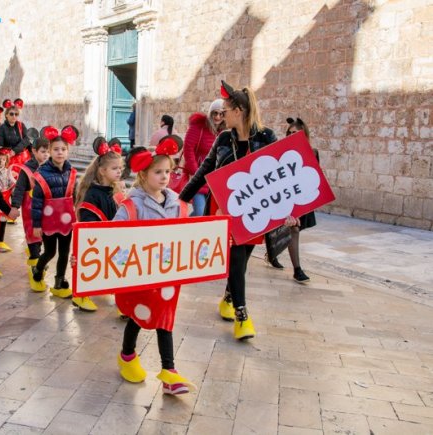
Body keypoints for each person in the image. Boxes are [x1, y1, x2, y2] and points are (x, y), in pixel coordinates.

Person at [180, 81, 302, 340]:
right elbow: (204, 170)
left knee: (242, 260)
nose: (221, 115)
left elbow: (281, 177)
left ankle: (228, 297)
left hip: (256, 212)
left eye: (225, 110)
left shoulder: (266, 137)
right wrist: (182, 199)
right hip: (226, 209)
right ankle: (242, 316)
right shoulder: (224, 138)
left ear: (239, 111)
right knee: (236, 258)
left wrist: (290, 211)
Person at [113, 137, 196, 396]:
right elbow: (111, 237)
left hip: (167, 276)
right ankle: (127, 355)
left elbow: (190, 233)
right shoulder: (132, 205)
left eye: (168, 172)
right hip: (141, 275)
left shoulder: (177, 203)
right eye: (158, 172)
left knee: (164, 319)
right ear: (143, 175)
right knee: (138, 317)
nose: (164, 177)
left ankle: (169, 371)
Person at [73, 136, 124, 312]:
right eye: (114, 168)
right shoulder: (92, 194)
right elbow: (87, 218)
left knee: (118, 265)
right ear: (102, 171)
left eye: (120, 168)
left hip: (111, 237)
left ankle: (121, 300)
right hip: (96, 239)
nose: (119, 172)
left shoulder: (114, 190)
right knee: (90, 266)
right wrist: (97, 233)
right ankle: (81, 295)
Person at [29, 126, 78, 297]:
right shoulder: (42, 173)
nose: (60, 152)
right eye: (56, 149)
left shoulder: (72, 173)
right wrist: (36, 224)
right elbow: (36, 202)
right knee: (50, 252)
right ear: (49, 151)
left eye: (63, 149)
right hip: (48, 219)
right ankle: (38, 267)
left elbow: (76, 196)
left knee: (64, 252)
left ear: (68, 151)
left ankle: (59, 281)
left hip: (66, 220)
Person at [266, 117, 317, 283]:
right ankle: (297, 269)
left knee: (293, 229)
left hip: (299, 197)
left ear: (304, 134)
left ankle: (274, 255)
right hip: (283, 197)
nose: (291, 136)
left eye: (295, 133)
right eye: (289, 133)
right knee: (289, 229)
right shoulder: (281, 152)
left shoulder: (313, 152)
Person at [10, 137, 50, 268]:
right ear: (34, 151)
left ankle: (38, 257)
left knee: (44, 234)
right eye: (43, 151)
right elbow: (20, 188)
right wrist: (15, 206)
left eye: (48, 152)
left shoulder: (51, 168)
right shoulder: (26, 169)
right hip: (30, 208)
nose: (46, 155)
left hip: (46, 208)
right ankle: (35, 260)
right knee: (32, 233)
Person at [183, 99, 225, 216]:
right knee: (200, 212)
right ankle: (184, 226)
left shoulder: (225, 131)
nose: (217, 117)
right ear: (210, 113)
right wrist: (196, 172)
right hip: (199, 177)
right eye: (215, 113)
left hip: (215, 180)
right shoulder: (199, 127)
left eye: (221, 114)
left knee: (207, 214)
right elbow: (188, 149)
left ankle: (186, 224)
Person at [0, 150, 15, 253]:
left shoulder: (8, 171)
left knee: (3, 221)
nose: (1, 161)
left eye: (3, 159)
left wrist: (13, 187)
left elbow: (11, 183)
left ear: (6, 161)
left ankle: (0, 242)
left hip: (5, 199)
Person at [0, 99, 30, 166]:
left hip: (23, 158)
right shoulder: (1, 128)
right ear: (6, 115)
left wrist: (15, 150)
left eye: (16, 114)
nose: (14, 116)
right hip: (9, 159)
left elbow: (27, 139)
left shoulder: (21, 125)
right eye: (11, 114)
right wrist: (6, 153)